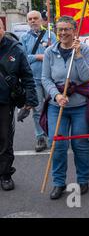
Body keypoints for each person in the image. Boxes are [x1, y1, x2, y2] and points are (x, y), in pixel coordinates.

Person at [42, 16, 89, 200]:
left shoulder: (85, 50)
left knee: (80, 144)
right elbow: (45, 78)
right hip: (57, 107)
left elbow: (88, 76)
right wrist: (57, 95)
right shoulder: (50, 52)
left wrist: (79, 55)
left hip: (80, 106)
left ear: (74, 30)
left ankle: (83, 180)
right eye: (60, 30)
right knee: (57, 144)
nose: (63, 33)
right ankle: (59, 183)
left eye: (67, 29)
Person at [0, 19, 38, 191]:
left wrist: (29, 102)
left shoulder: (15, 48)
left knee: (4, 139)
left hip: (5, 102)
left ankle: (5, 174)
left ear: (3, 29)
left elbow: (27, 76)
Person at [20, 10, 57, 152]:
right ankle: (40, 137)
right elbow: (23, 58)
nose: (33, 21)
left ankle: (53, 136)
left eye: (35, 18)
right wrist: (39, 56)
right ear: (27, 21)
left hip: (49, 78)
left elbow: (55, 53)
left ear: (41, 20)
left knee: (53, 108)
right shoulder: (23, 38)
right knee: (37, 110)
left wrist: (46, 53)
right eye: (30, 19)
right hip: (33, 79)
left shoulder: (50, 35)